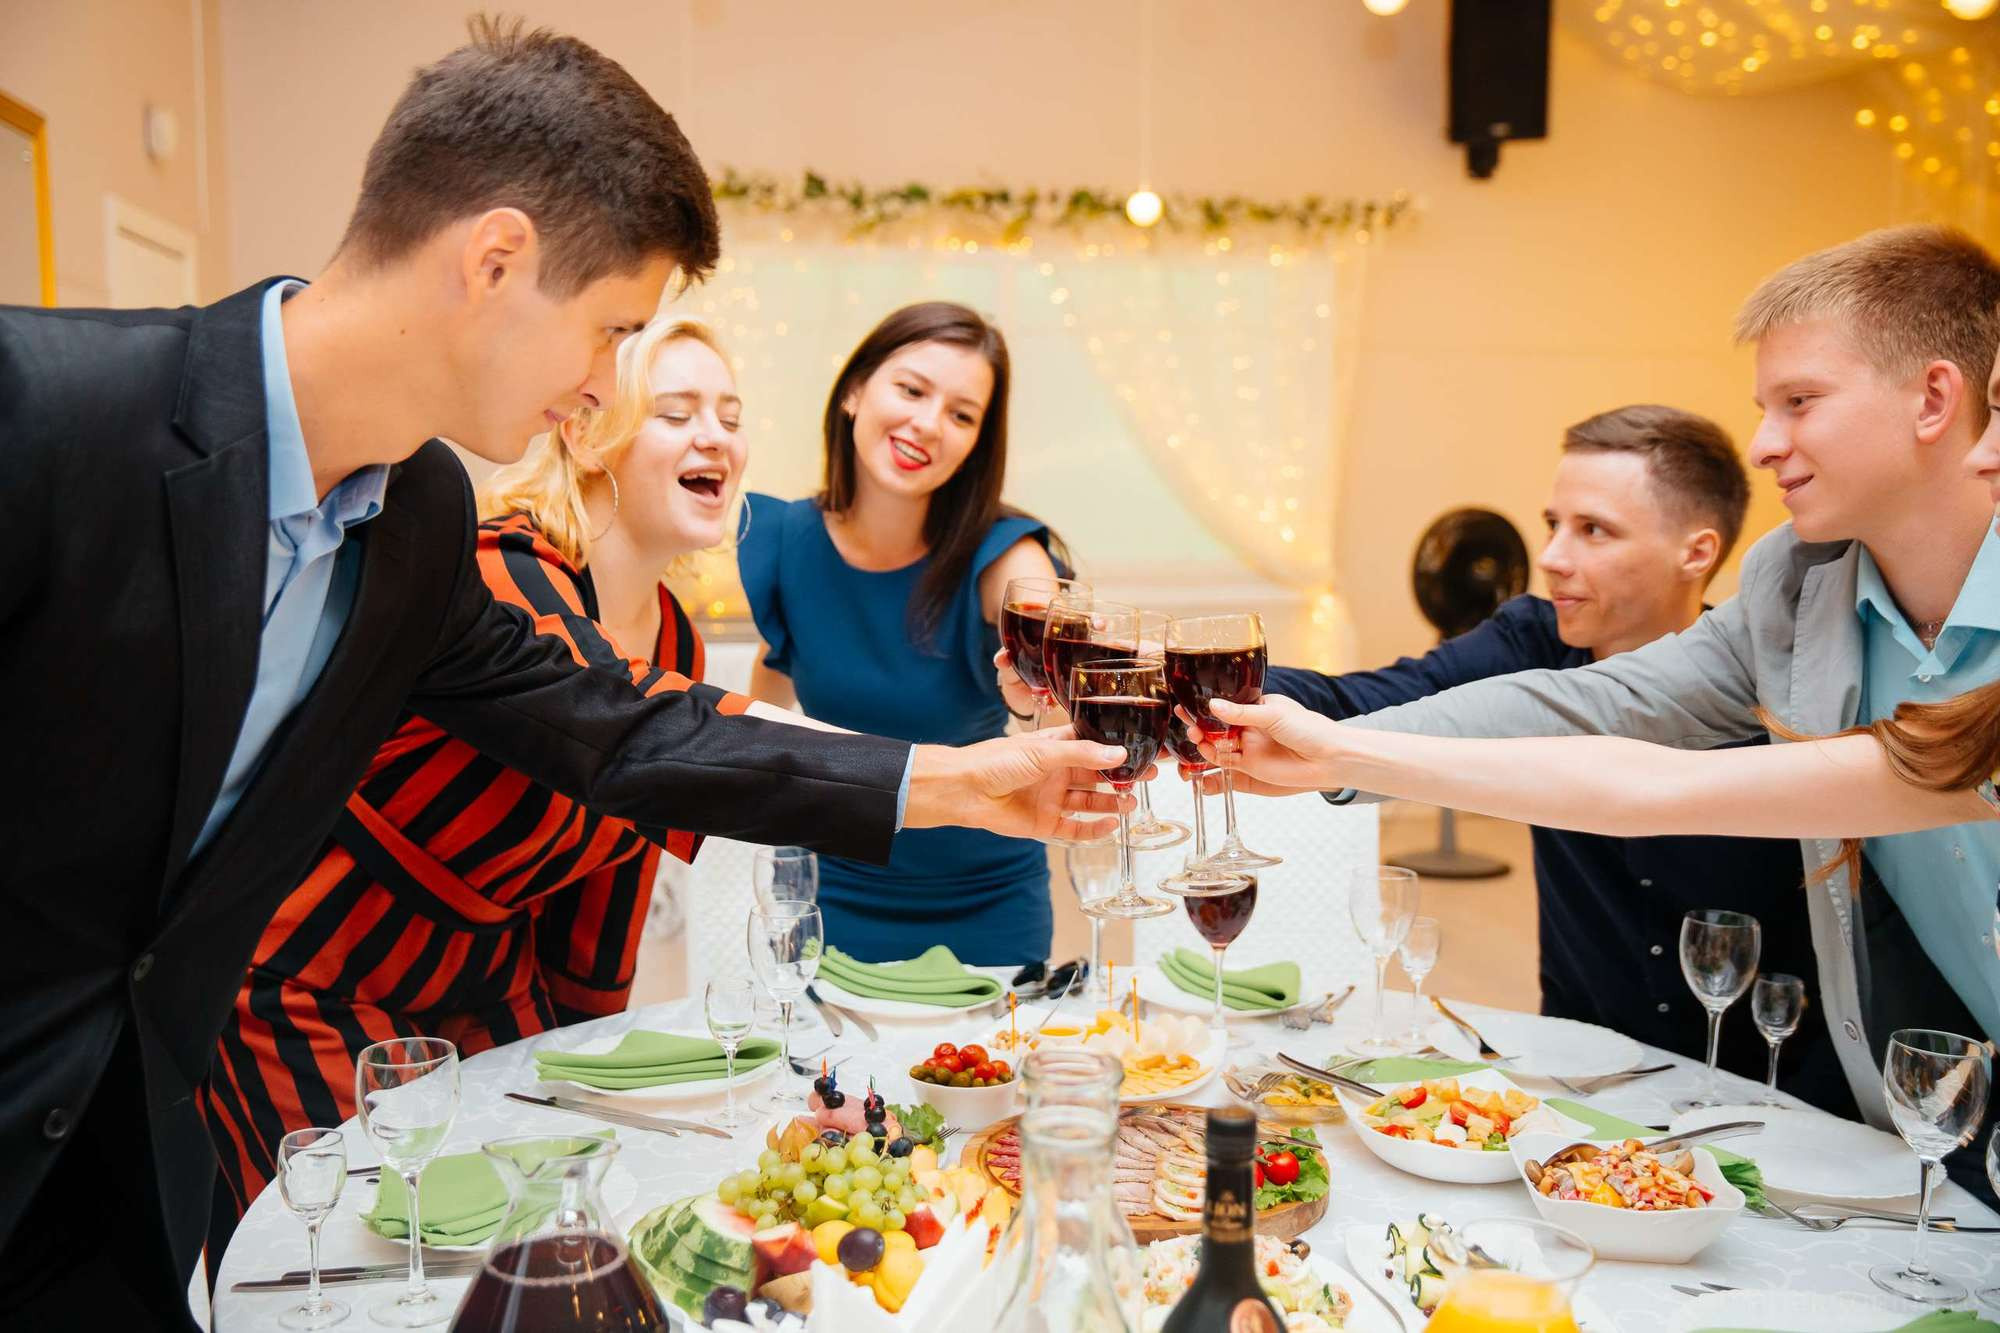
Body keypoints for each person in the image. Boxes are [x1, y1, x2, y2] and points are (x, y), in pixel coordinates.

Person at [0, 22, 1126, 1326]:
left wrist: (968, 781)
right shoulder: (50, 412)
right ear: (495, 262)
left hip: (133, 1169)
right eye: (612, 332)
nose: (606, 384)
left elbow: (620, 735)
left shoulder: (414, 516)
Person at [1209, 223, 2000, 1202]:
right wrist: (1335, 750)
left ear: (1933, 398)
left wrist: (1336, 752)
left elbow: (1644, 783)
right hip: (1939, 1105)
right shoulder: (1796, 586)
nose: (1761, 443)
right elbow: (1599, 706)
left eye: (1799, 402)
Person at [198, 317, 760, 1259]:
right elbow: (609, 732)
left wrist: (587, 1080)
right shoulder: (501, 570)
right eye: (677, 411)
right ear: (586, 432)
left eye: (731, 414)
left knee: (551, 1247)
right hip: (314, 984)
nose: (718, 436)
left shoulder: (677, 640)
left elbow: (606, 890)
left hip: (492, 997)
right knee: (363, 1267)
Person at [1239, 407, 1848, 1109]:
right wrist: (1174, 668)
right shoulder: (1530, 638)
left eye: (1593, 530)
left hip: (1761, 1088)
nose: (1554, 556)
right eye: (1552, 524)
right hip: (1574, 1069)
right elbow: (1366, 699)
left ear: (1697, 552)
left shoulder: (1780, 685)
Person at [740, 302, 1068, 963]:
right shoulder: (782, 542)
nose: (928, 423)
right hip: (829, 890)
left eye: (961, 414)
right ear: (856, 391)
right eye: (912, 390)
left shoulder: (1005, 556)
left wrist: (1043, 675)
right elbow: (764, 708)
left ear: (978, 442)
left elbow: (1050, 682)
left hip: (984, 897)